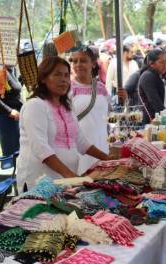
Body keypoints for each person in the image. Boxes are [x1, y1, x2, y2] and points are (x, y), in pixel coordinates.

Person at [16, 56, 111, 191]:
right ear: (43, 78)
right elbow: (41, 149)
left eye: (66, 75)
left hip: (65, 182)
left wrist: (108, 159)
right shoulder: (35, 105)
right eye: (57, 75)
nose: (63, 80)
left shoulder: (67, 107)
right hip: (40, 182)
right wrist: (71, 176)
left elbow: (81, 142)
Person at [69, 46, 111, 175]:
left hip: (102, 145)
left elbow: (110, 116)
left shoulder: (101, 88)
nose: (78, 65)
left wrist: (124, 99)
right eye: (74, 61)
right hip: (78, 149)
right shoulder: (67, 88)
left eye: (83, 60)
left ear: (93, 63)